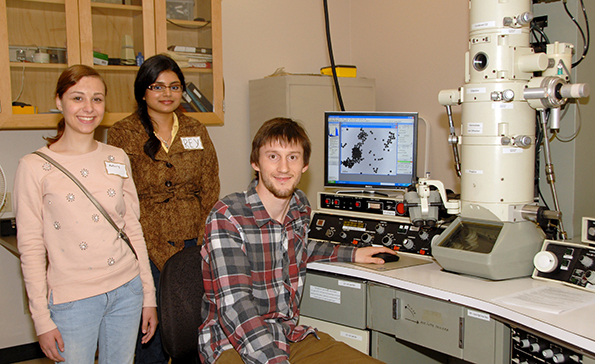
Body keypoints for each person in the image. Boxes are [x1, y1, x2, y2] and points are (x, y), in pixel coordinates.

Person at [198, 117, 394, 364]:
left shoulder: (299, 207)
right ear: (255, 162)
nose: (283, 168)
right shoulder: (228, 215)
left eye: (292, 157)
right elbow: (235, 307)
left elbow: (297, 247)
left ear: (304, 165)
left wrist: (353, 254)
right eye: (272, 156)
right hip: (232, 344)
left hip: (287, 336)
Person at [14, 65, 157, 363]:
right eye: (77, 98)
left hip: (127, 289)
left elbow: (132, 228)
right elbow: (30, 248)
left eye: (97, 99)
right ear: (59, 101)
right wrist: (41, 318)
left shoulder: (116, 157)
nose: (88, 108)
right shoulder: (33, 166)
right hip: (73, 300)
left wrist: (148, 296)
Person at [108, 53, 220, 363]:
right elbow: (117, 192)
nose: (167, 94)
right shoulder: (122, 132)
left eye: (174, 86)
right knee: (151, 333)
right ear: (143, 91)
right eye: (158, 87)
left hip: (192, 243)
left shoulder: (195, 129)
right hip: (144, 244)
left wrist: (203, 237)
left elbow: (210, 185)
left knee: (192, 329)